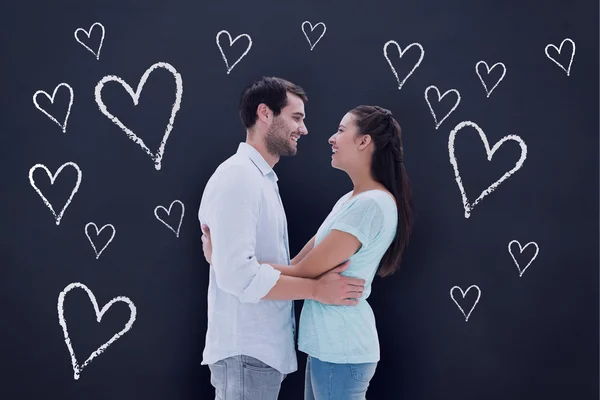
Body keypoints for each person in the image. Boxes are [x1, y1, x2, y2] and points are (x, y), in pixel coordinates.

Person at [201, 104, 414, 399]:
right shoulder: (350, 201)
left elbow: (303, 271)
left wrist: (228, 262)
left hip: (343, 346)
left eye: (341, 130)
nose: (331, 138)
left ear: (364, 141)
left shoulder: (371, 204)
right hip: (327, 346)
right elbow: (295, 264)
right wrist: (225, 261)